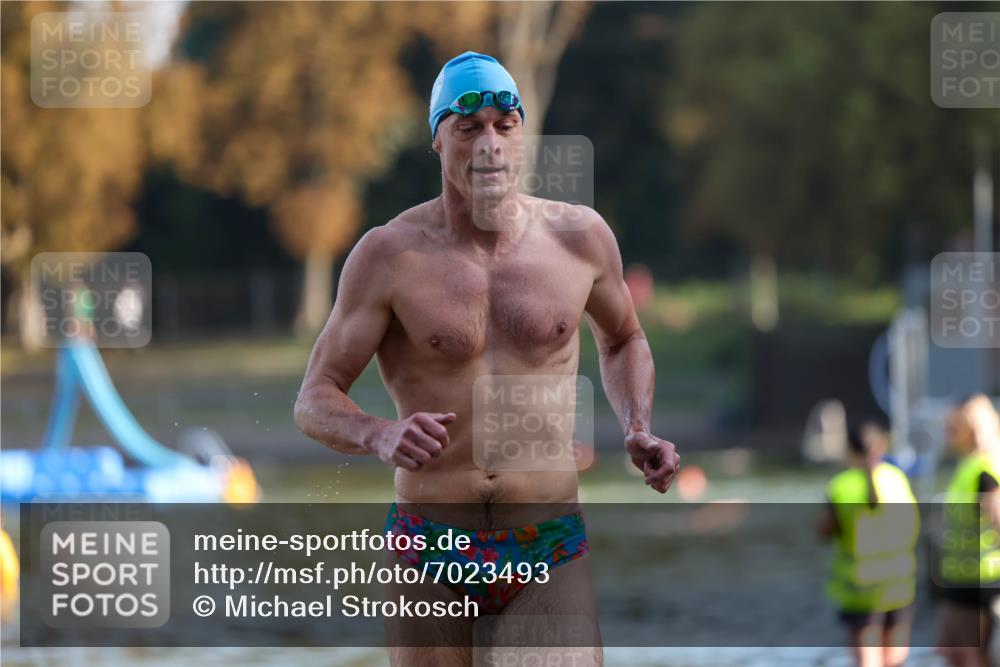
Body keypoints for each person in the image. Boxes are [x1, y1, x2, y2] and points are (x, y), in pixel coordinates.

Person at [294, 51, 680, 667]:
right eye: (468, 127)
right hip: (430, 545)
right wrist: (379, 433)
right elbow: (315, 398)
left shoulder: (579, 238)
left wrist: (637, 425)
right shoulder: (388, 255)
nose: (490, 144)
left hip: (547, 539)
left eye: (506, 124)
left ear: (522, 135)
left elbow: (624, 339)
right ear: (437, 141)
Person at [819, 421, 919, 667]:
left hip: (861, 589)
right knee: (894, 660)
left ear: (848, 450)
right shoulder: (897, 479)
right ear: (881, 446)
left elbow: (825, 531)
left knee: (868, 660)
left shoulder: (841, 485)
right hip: (899, 585)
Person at [936, 394, 1000, 667]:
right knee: (951, 651)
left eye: (953, 425)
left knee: (969, 656)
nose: (946, 432)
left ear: (972, 428)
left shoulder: (984, 469)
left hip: (979, 579)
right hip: (961, 577)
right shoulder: (969, 465)